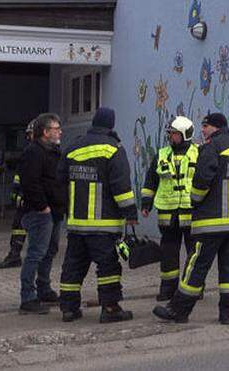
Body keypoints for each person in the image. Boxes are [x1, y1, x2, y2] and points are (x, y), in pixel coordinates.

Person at [153, 112, 229, 325]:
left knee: (196, 265)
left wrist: (195, 201)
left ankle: (179, 310)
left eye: (205, 126)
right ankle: (227, 314)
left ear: (214, 127)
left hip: (211, 222)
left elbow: (202, 180)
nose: (202, 131)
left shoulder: (210, 148)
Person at [56, 107, 137, 323]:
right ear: (111, 125)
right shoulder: (113, 149)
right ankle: (110, 309)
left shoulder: (73, 147)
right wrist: (130, 213)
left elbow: (60, 182)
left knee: (73, 266)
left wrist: (66, 209)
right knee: (108, 266)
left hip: (76, 223)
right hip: (103, 223)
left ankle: (69, 309)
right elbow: (121, 186)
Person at [141, 116, 201, 302]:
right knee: (168, 252)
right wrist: (146, 203)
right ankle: (168, 289)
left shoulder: (199, 153)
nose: (171, 137)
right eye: (170, 133)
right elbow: (151, 180)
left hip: (191, 211)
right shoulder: (161, 154)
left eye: (174, 134)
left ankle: (193, 288)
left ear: (184, 135)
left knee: (194, 252)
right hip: (167, 213)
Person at [17, 113, 66, 314]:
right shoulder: (33, 152)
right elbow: (31, 183)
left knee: (50, 251)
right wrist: (42, 207)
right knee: (36, 254)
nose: (60, 131)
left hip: (54, 211)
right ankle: (28, 297)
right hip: (40, 212)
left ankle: (44, 289)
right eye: (56, 128)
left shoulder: (53, 152)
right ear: (45, 132)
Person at [0, 121, 33, 269]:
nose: (29, 136)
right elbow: (21, 174)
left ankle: (37, 258)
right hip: (24, 195)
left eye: (30, 133)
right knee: (18, 225)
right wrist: (16, 192)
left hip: (35, 197)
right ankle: (14, 254)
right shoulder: (28, 151)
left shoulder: (42, 151)